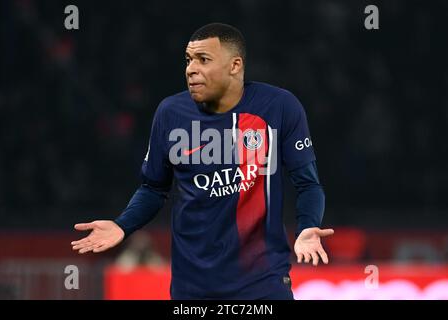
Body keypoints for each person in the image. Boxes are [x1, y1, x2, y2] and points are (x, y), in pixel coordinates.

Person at [71, 22, 334, 300]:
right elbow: (153, 188)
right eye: (188, 60)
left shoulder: (279, 106)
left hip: (263, 285)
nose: (190, 69)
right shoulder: (171, 113)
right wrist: (123, 225)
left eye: (203, 60)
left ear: (235, 65)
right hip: (193, 290)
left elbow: (308, 184)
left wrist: (307, 226)